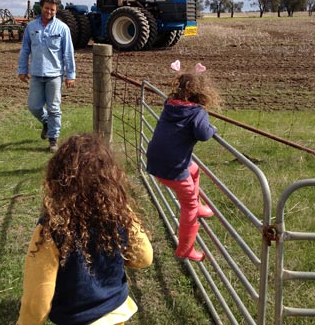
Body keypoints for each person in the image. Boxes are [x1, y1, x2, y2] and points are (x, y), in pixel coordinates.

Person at [17, 133, 153, 325]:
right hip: (116, 314)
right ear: (110, 179)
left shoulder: (50, 229)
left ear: (57, 179)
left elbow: (38, 295)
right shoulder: (119, 215)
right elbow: (144, 258)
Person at [146, 62, 220, 262]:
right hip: (173, 168)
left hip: (155, 161)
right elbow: (204, 134)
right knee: (187, 207)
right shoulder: (197, 112)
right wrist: (212, 129)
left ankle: (197, 204)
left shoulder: (170, 105)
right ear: (203, 93)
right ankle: (185, 249)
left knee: (194, 169)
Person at [18, 0, 76, 153]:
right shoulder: (31, 27)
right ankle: (46, 123)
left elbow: (68, 52)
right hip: (36, 74)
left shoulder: (62, 28)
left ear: (56, 10)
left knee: (54, 108)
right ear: (41, 8)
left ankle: (53, 140)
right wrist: (22, 69)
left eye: (52, 9)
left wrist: (70, 75)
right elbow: (25, 50)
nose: (49, 11)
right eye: (46, 8)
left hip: (55, 75)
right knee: (33, 106)